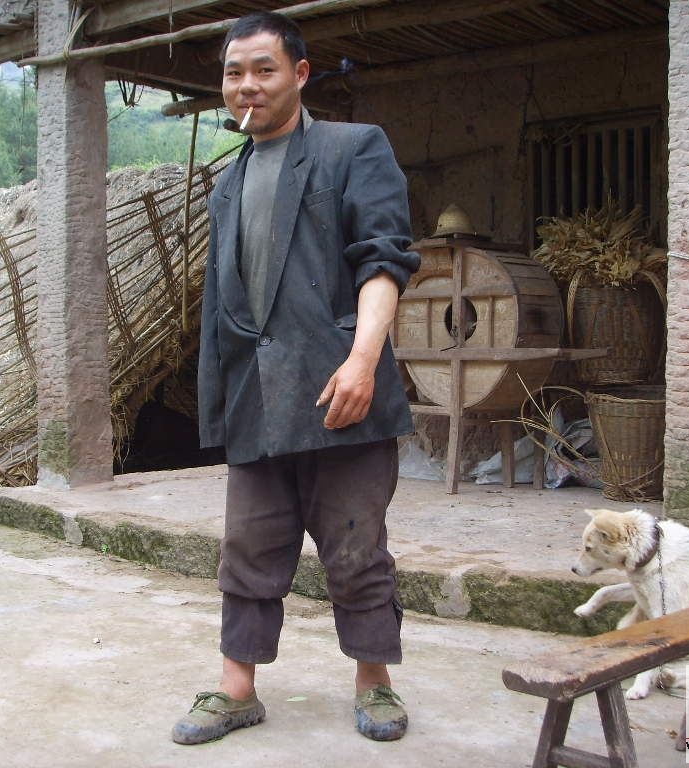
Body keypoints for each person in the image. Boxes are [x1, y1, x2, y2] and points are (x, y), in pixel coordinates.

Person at [172, 11, 420, 745]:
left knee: (356, 548)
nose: (246, 86)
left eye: (264, 69)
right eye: (233, 73)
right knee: (247, 548)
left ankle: (374, 682)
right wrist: (219, 399)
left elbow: (384, 259)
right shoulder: (228, 184)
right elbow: (227, 304)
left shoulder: (352, 148)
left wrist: (363, 359)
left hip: (341, 387)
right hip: (256, 397)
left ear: (301, 74)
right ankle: (236, 688)